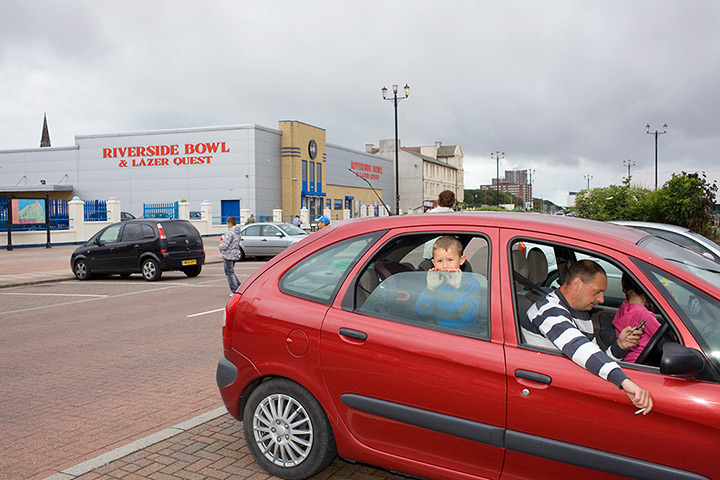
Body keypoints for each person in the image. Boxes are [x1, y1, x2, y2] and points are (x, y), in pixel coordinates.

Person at [521, 260, 654, 414]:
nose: (601, 299)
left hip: (569, 388)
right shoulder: (548, 311)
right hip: (549, 397)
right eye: (597, 292)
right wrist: (624, 381)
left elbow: (593, 357)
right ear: (577, 284)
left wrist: (620, 346)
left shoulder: (580, 313)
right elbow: (578, 347)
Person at [415, 236, 484, 331]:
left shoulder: (471, 284)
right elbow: (422, 312)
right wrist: (430, 288)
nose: (445, 266)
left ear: (461, 260)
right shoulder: (436, 283)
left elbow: (468, 317)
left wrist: (458, 288)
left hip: (466, 336)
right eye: (439, 261)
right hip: (443, 334)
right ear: (434, 263)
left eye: (450, 260)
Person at [612, 273, 661, 363]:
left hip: (627, 360)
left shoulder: (623, 307)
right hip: (643, 362)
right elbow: (665, 336)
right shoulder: (644, 315)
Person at [423, 190, 456, 260]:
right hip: (447, 248)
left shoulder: (431, 213)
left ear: (439, 200)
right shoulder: (454, 215)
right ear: (453, 201)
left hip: (431, 247)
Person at [219, 216, 242, 294]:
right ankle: (239, 287)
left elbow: (225, 245)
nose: (227, 225)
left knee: (229, 273)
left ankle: (235, 289)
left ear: (230, 223)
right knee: (231, 272)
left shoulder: (230, 232)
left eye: (227, 223)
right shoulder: (238, 232)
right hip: (235, 254)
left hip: (228, 254)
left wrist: (220, 246)